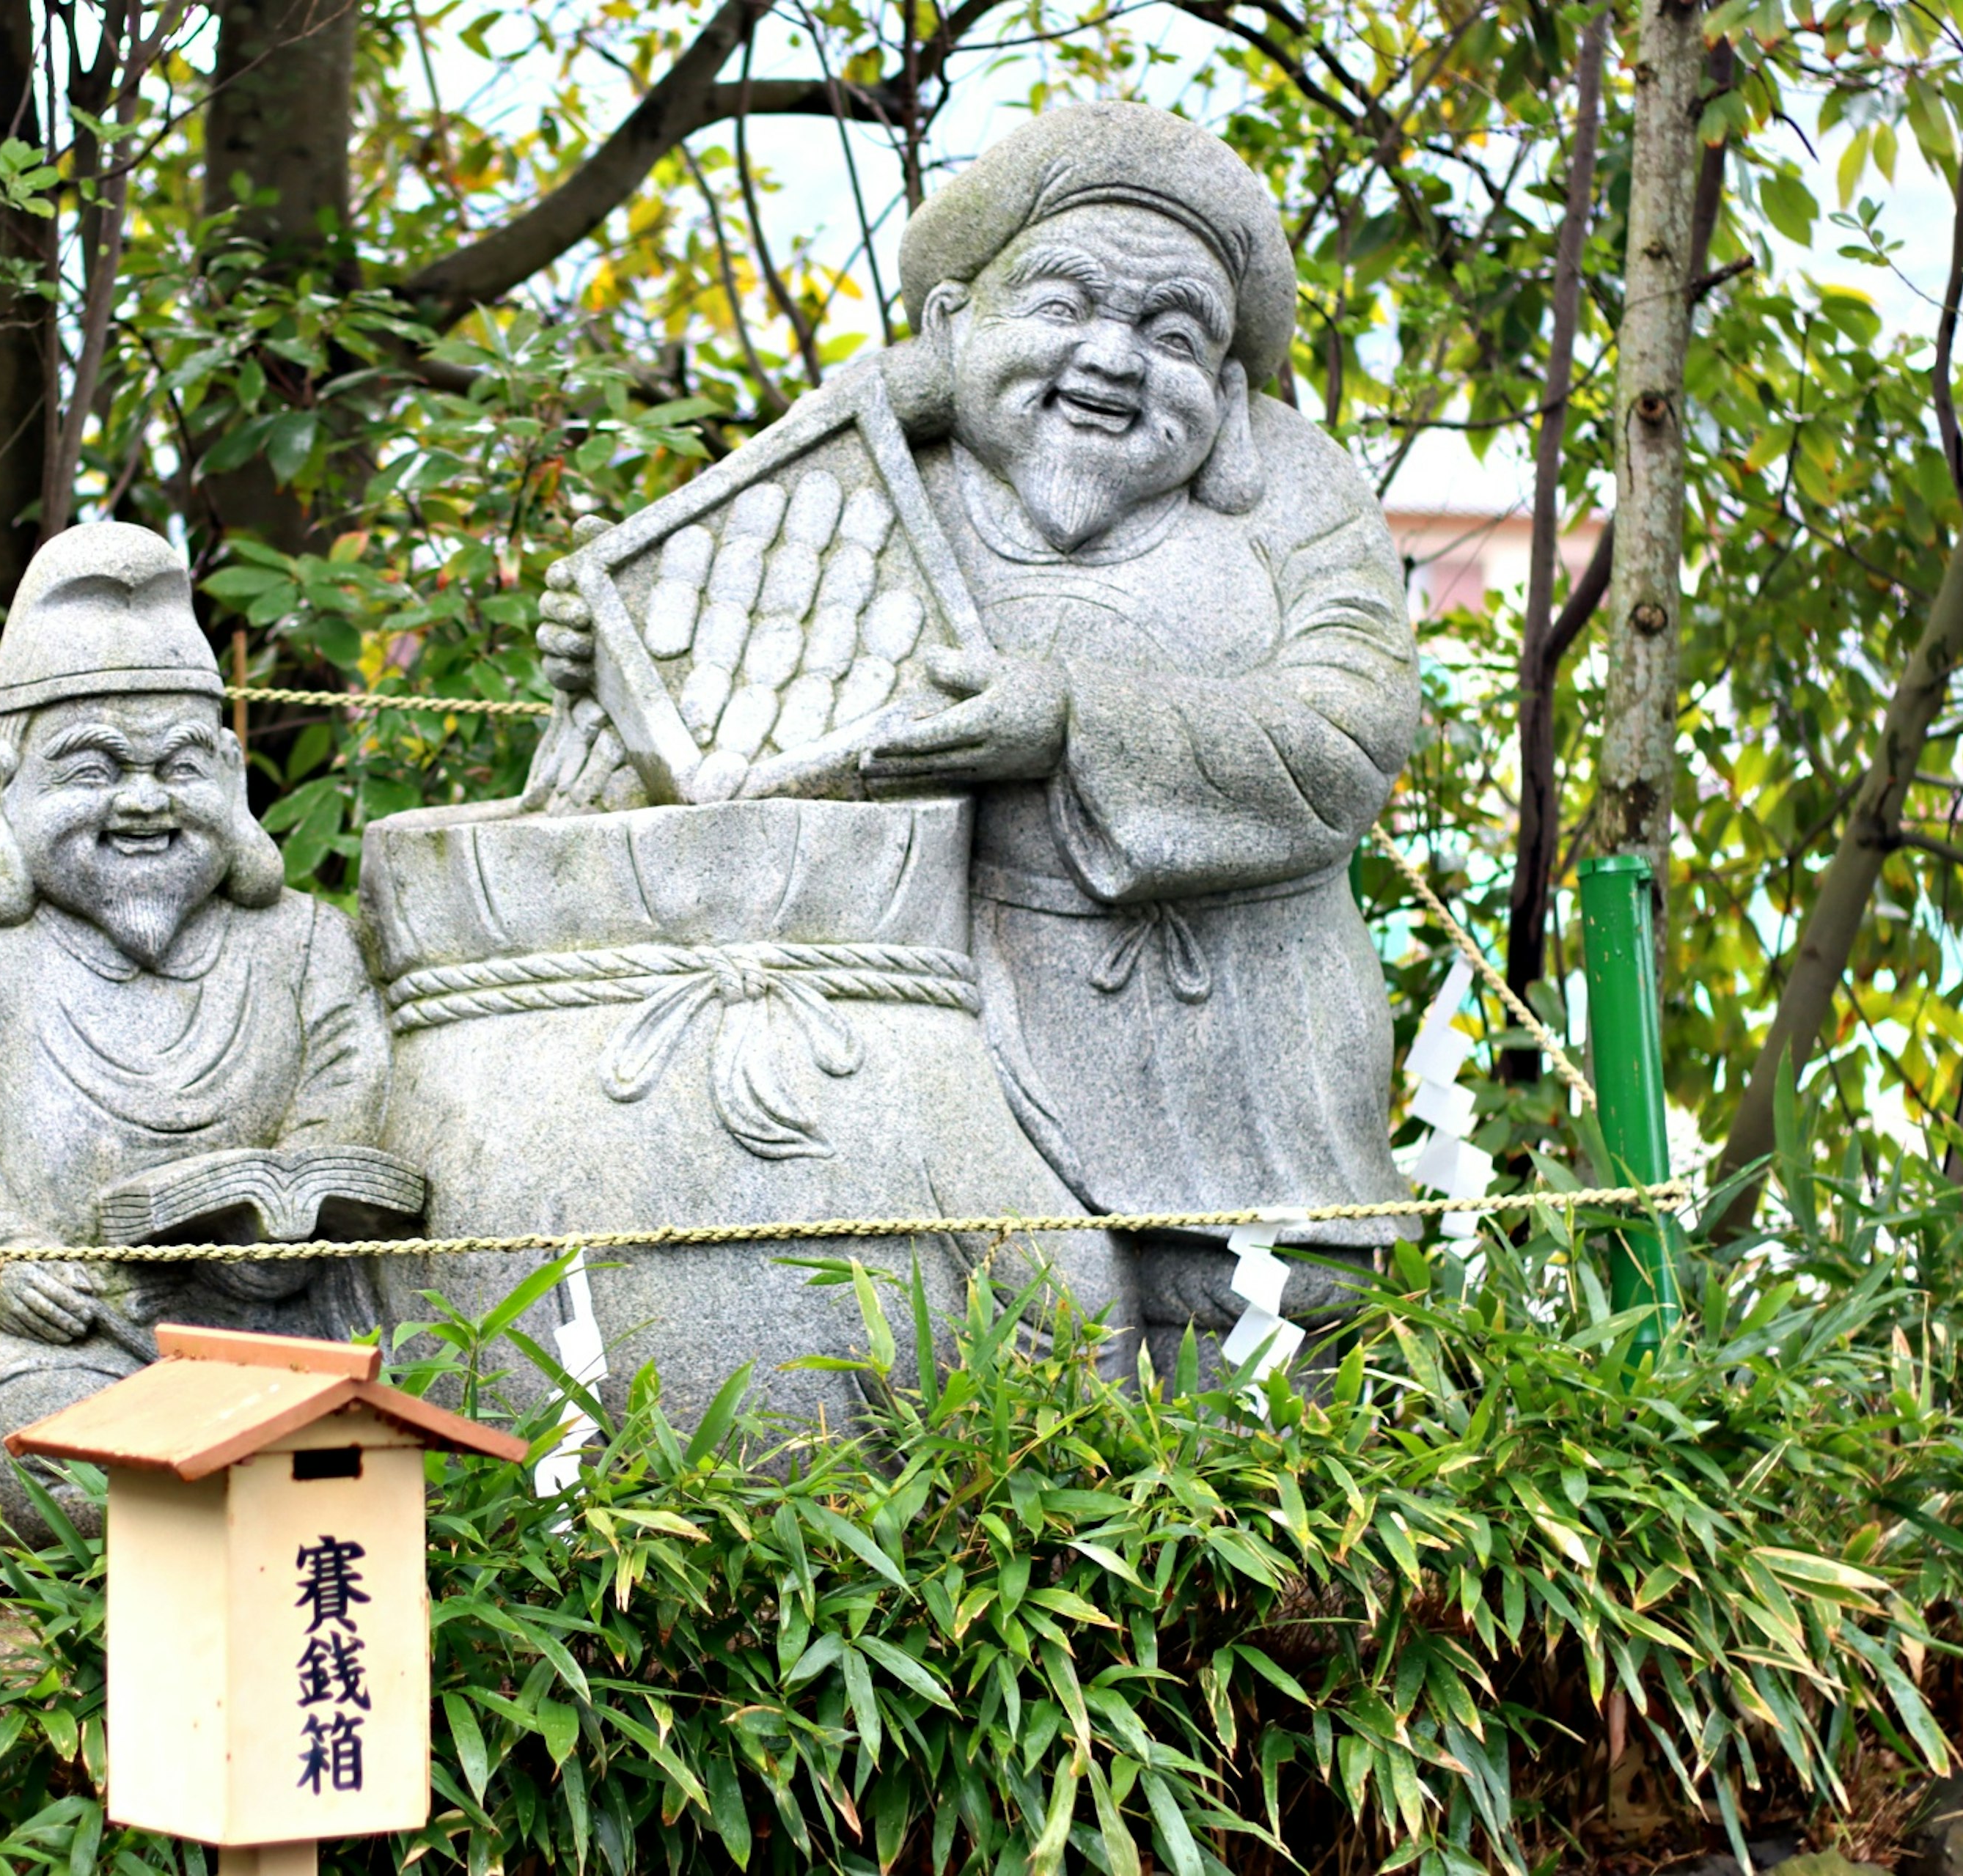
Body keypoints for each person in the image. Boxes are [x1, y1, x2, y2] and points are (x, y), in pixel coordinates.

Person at [540, 103, 1420, 1382]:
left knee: (1260, 1411)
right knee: (964, 1405)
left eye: (1174, 336)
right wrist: (601, 669)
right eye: (1063, 307)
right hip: (944, 1058)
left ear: (1227, 390)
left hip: (1235, 1063)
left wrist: (1067, 719)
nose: (1114, 361)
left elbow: (1345, 738)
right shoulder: (869, 475)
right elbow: (702, 734)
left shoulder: (1293, 497)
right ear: (954, 327)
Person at [0, 523, 389, 1540]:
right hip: (66, 1351)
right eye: (94, 769)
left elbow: (351, 1098)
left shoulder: (307, 946)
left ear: (232, 774)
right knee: (43, 1459)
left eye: (178, 765)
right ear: (2, 792)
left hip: (285, 1329)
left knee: (432, 1392)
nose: (143, 800)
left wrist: (297, 1200)